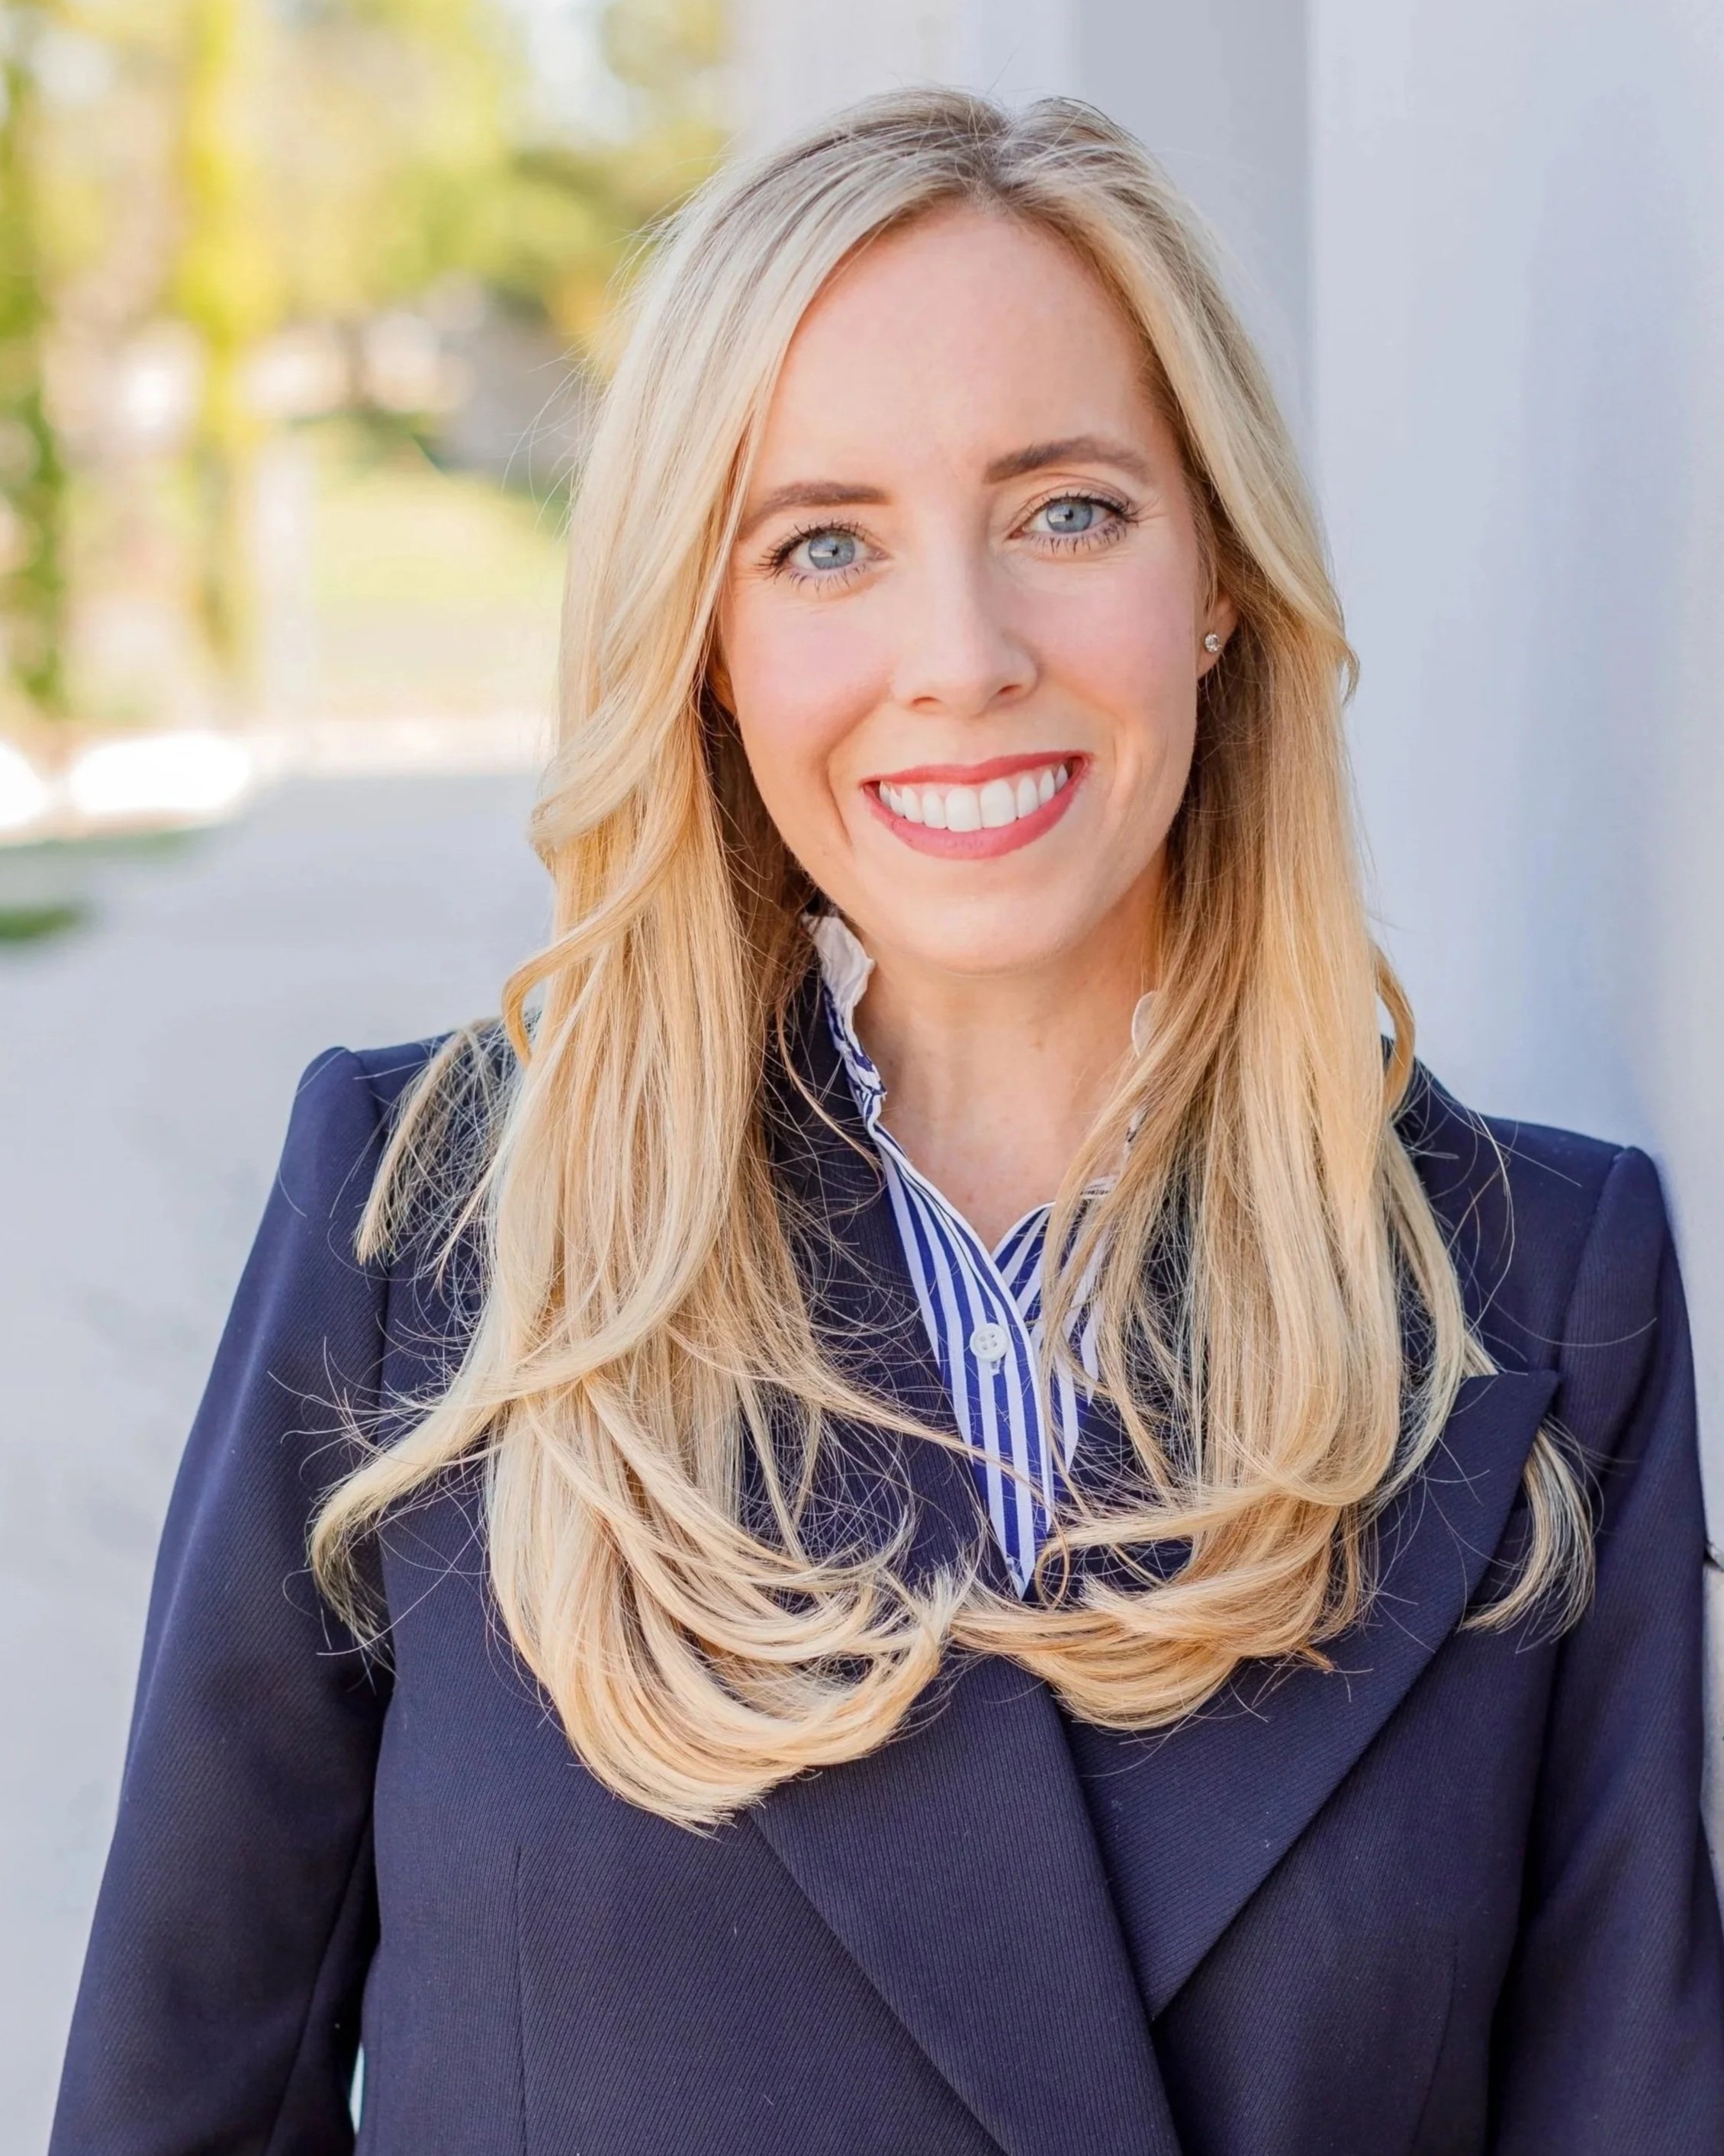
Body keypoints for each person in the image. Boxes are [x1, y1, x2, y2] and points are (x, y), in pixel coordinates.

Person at [50, 90, 1724, 2156]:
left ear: (1211, 571)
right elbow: (178, 2103)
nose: (962, 657)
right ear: (711, 646)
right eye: (823, 542)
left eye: (1067, 510)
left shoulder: (1532, 1305)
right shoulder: (432, 1238)